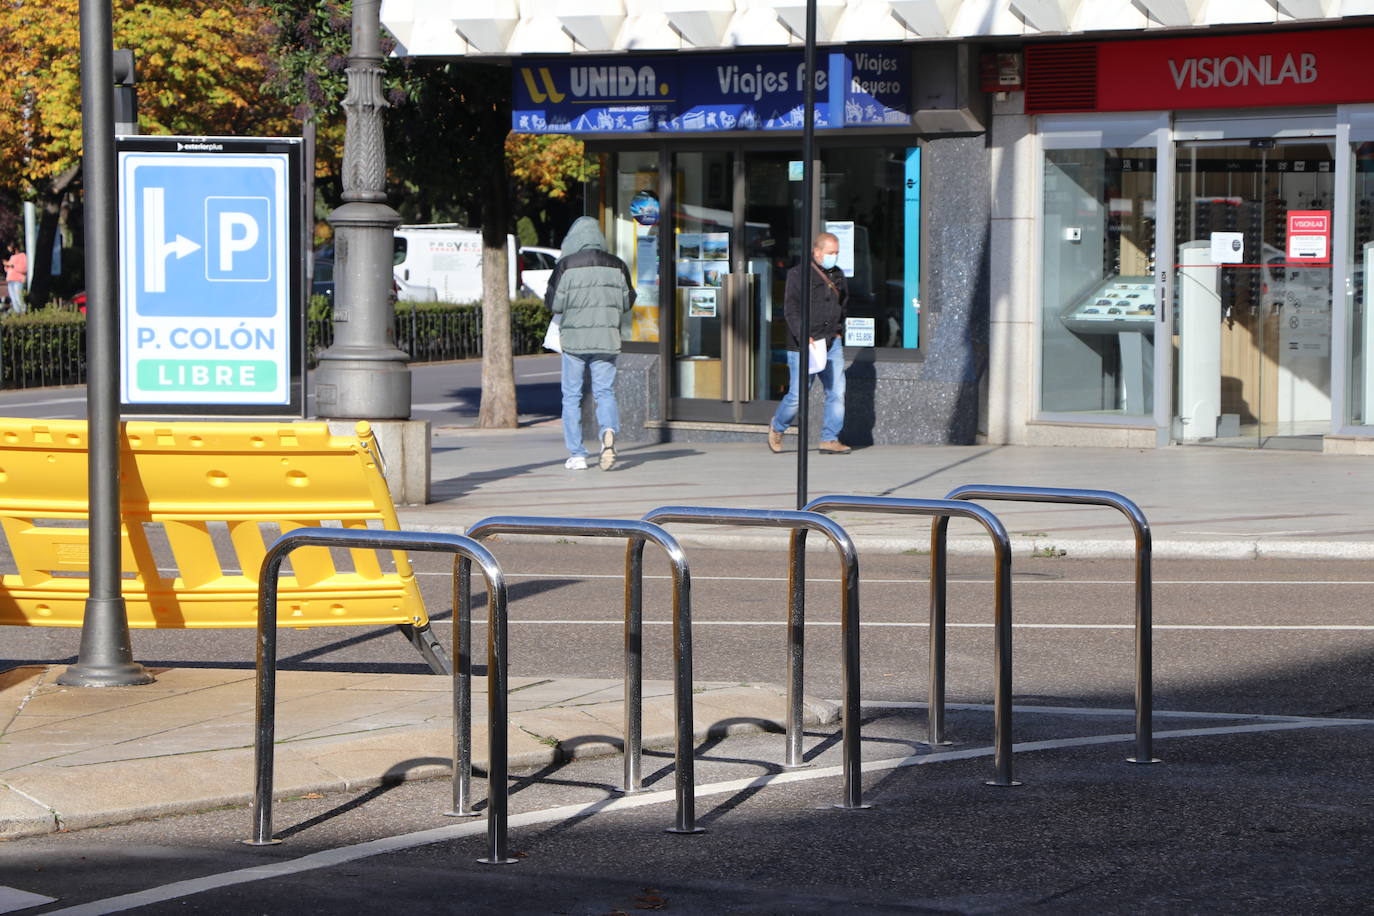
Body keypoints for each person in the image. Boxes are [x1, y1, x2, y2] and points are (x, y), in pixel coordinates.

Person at [546, 216, 635, 471]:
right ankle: (608, 431)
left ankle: (577, 454)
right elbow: (627, 301)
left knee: (571, 396)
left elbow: (554, 304)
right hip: (607, 339)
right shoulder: (617, 264)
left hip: (574, 341)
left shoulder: (566, 265)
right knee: (605, 392)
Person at [768, 231, 850, 455]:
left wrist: (839, 331)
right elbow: (791, 309)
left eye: (837, 252)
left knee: (836, 392)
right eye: (830, 252)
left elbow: (843, 304)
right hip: (805, 344)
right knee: (798, 394)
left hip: (832, 341)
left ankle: (829, 438)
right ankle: (778, 426)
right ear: (817, 252)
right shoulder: (798, 275)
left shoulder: (838, 275)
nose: (834, 256)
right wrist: (803, 334)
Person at [3, 245, 27, 314]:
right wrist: (6, 265)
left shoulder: (22, 256)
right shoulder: (12, 257)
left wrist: (11, 265)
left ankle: (23, 312)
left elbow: (23, 268)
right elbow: (9, 269)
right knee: (13, 299)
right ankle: (17, 313)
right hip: (10, 280)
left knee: (18, 297)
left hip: (18, 280)